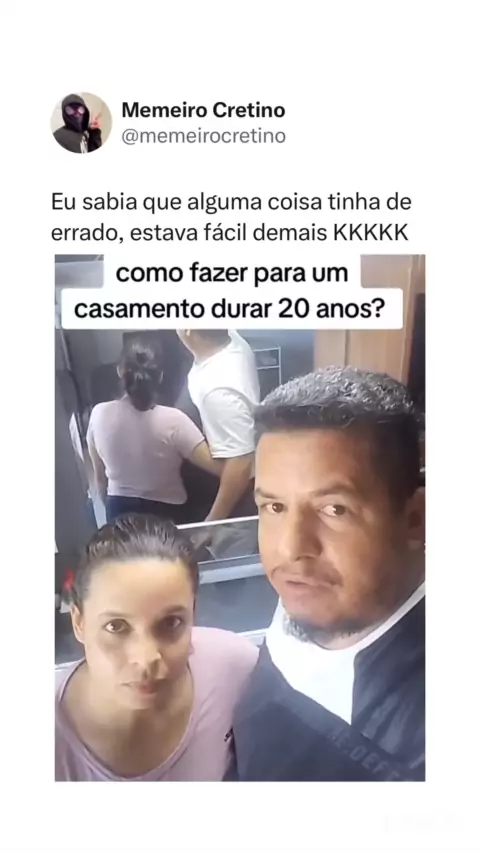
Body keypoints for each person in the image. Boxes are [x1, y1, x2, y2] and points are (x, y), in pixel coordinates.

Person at [228, 366, 425, 781]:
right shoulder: (316, 594)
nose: (291, 549)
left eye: (334, 509)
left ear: (416, 519)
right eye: (274, 507)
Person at [55, 515, 258, 781]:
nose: (146, 658)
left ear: (193, 613)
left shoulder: (235, 669)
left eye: (171, 623)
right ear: (79, 623)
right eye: (116, 626)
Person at [86, 336, 222, 524]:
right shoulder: (174, 420)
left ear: (119, 370)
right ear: (160, 376)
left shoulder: (98, 414)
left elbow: (100, 480)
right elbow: (218, 469)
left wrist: (112, 518)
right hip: (167, 514)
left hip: (118, 509)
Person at [176, 330, 260, 521]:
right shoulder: (229, 338)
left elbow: (241, 462)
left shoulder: (218, 392)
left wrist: (212, 523)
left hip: (226, 496)